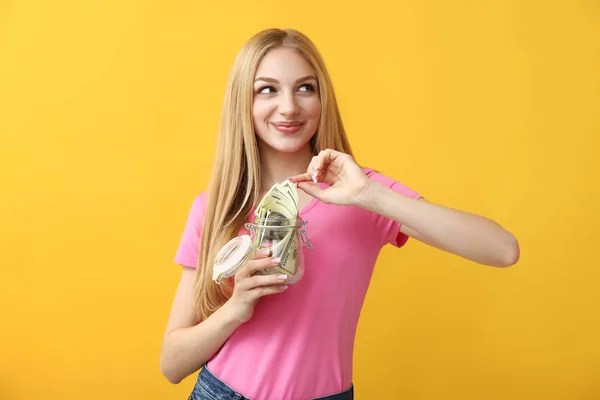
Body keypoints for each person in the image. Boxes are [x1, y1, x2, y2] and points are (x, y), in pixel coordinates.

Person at [160, 28, 519, 400]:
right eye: (267, 89)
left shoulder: (362, 195)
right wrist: (237, 307)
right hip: (221, 392)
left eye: (305, 88)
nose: (289, 107)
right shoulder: (216, 208)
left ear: (322, 99)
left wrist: (369, 195)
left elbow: (503, 250)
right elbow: (172, 364)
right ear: (243, 102)